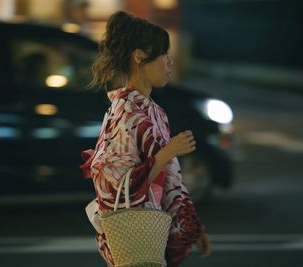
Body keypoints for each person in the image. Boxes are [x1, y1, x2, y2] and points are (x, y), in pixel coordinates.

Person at [80, 11, 212, 267]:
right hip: (133, 236)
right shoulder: (125, 112)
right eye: (164, 55)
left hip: (149, 234)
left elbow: (173, 179)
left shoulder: (154, 112)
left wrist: (194, 229)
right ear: (140, 57)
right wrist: (165, 154)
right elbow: (112, 184)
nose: (170, 64)